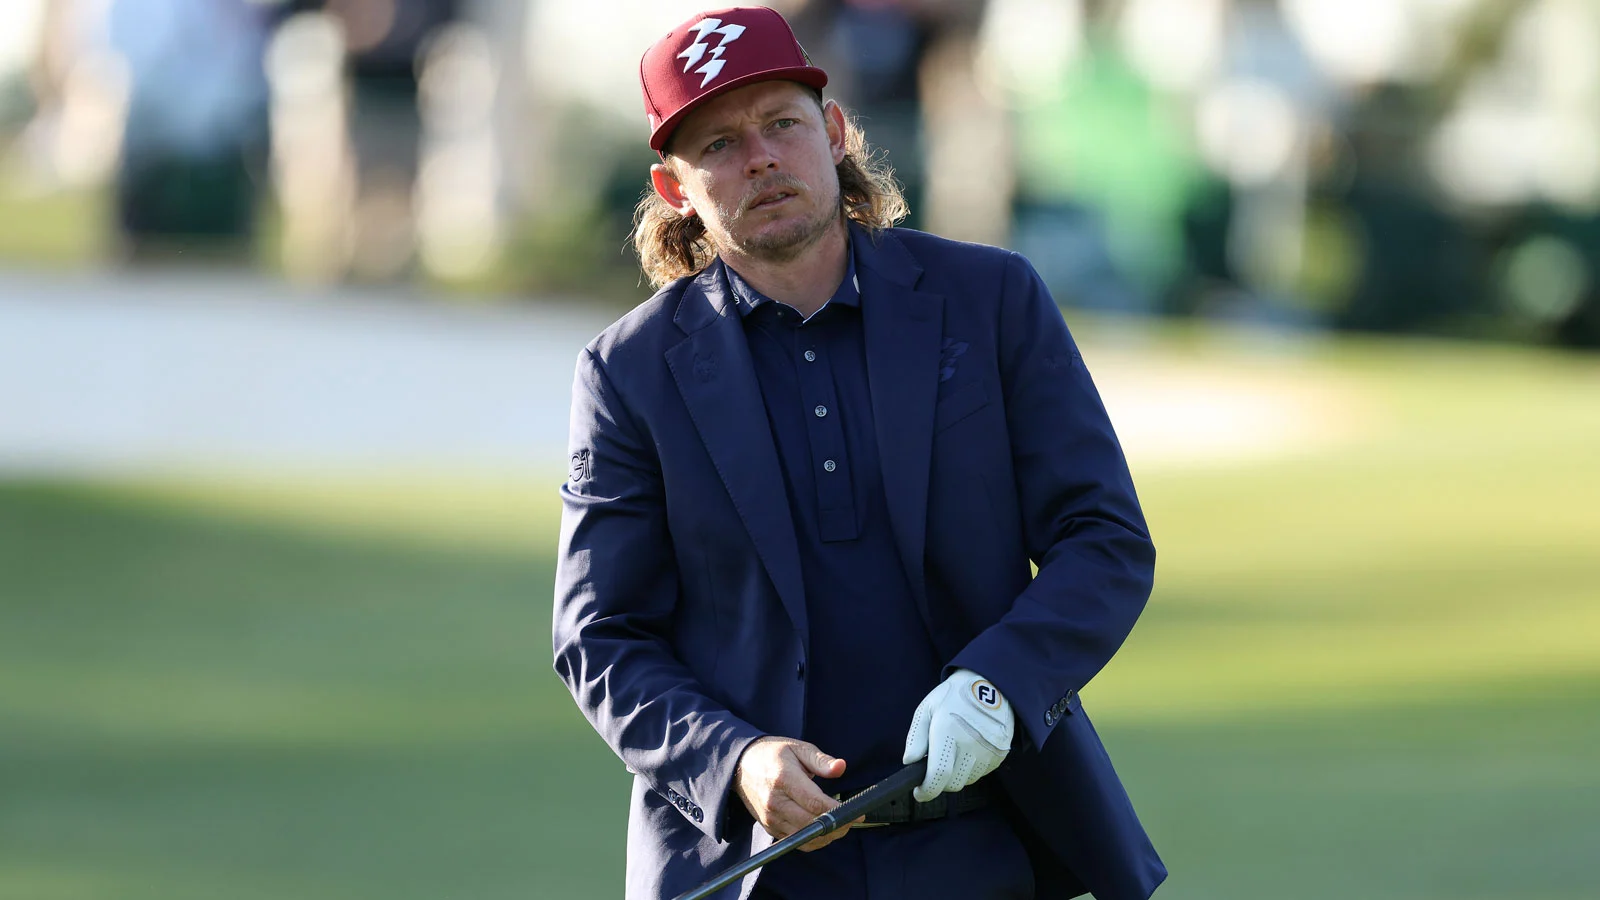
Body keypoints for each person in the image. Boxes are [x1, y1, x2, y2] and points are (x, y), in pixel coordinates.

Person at [552, 7, 1163, 899]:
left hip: (987, 847)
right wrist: (735, 760)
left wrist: (999, 683)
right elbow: (600, 635)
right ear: (673, 187)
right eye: (717, 143)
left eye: (782, 124)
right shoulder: (629, 374)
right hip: (758, 868)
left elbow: (1103, 536)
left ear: (834, 134)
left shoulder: (990, 300)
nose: (759, 157)